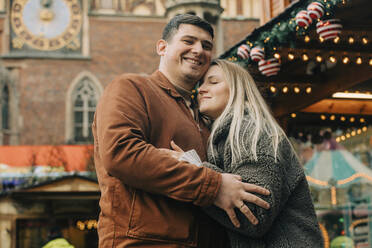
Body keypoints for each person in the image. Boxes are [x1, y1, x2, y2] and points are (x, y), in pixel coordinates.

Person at [92, 14, 270, 247]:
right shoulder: (132, 87)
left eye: (206, 46)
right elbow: (121, 153)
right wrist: (214, 185)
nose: (198, 50)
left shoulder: (204, 117)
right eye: (188, 41)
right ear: (162, 47)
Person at [169, 59, 324, 247]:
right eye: (201, 84)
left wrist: (194, 169)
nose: (201, 89)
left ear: (237, 89)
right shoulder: (223, 138)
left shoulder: (252, 131)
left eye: (213, 81)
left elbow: (255, 214)